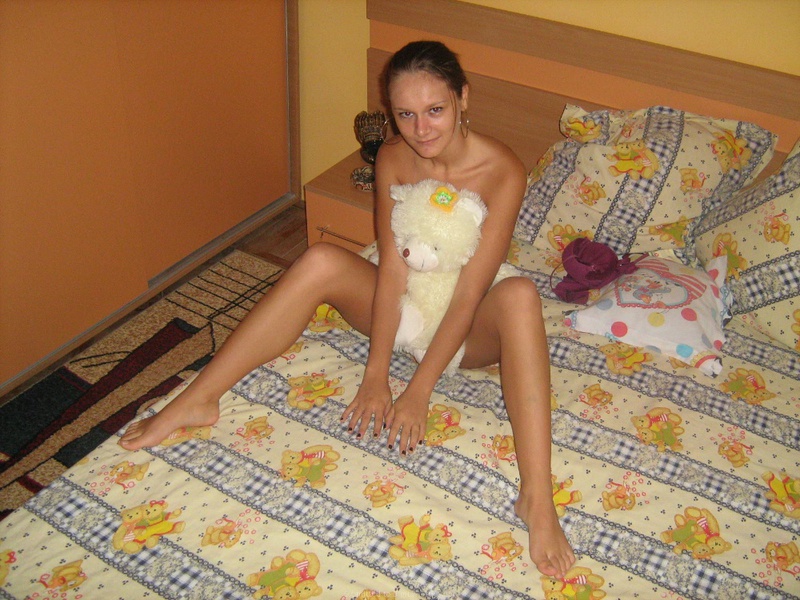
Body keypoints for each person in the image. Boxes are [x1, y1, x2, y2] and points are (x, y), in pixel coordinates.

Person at [119, 40, 576, 578]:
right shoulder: (392, 157)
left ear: (463, 98)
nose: (421, 129)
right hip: (404, 306)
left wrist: (418, 391)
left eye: (435, 109)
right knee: (319, 259)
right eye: (405, 114)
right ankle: (199, 398)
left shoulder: (503, 170)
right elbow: (392, 271)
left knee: (520, 296)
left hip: (468, 325)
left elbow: (470, 294)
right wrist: (376, 375)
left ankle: (536, 497)